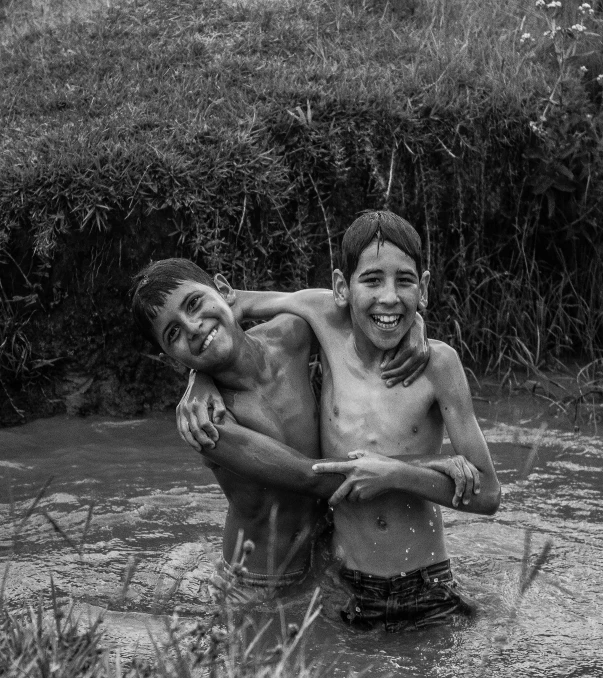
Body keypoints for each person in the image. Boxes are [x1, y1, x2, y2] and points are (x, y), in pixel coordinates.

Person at [189, 210, 501, 631]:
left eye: (404, 281)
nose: (389, 297)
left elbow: (487, 496)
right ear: (341, 287)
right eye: (371, 280)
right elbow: (228, 311)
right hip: (344, 584)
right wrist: (198, 379)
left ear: (423, 288)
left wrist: (395, 474)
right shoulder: (323, 319)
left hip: (426, 583)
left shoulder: (439, 366)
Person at [131, 258, 456, 604]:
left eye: (194, 303)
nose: (193, 327)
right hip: (257, 587)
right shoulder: (210, 423)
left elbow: (359, 307)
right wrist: (427, 466)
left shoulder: (291, 336)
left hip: (325, 562)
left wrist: (414, 323)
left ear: (225, 291)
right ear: (171, 356)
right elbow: (309, 477)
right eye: (174, 334)